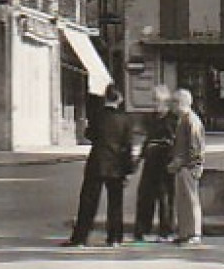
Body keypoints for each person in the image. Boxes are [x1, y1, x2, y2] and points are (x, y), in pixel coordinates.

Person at [63, 84, 134, 247]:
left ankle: (80, 237)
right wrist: (128, 170)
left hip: (97, 163)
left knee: (88, 201)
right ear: (119, 99)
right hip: (116, 165)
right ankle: (114, 238)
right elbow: (128, 146)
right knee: (115, 203)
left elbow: (89, 134)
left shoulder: (97, 116)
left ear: (106, 98)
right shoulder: (125, 120)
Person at [133, 86, 177, 243]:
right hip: (150, 163)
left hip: (165, 164)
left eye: (157, 100)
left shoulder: (173, 119)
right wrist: (138, 159)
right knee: (145, 196)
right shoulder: (150, 118)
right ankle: (142, 230)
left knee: (165, 198)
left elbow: (174, 142)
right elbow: (146, 139)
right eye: (153, 100)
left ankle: (166, 231)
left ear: (166, 102)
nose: (155, 104)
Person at [168, 89, 205, 246]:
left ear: (180, 103)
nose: (172, 106)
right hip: (182, 166)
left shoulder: (191, 120)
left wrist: (196, 165)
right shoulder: (183, 119)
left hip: (188, 166)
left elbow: (195, 146)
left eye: (174, 102)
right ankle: (184, 232)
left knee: (190, 200)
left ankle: (194, 233)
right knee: (183, 201)